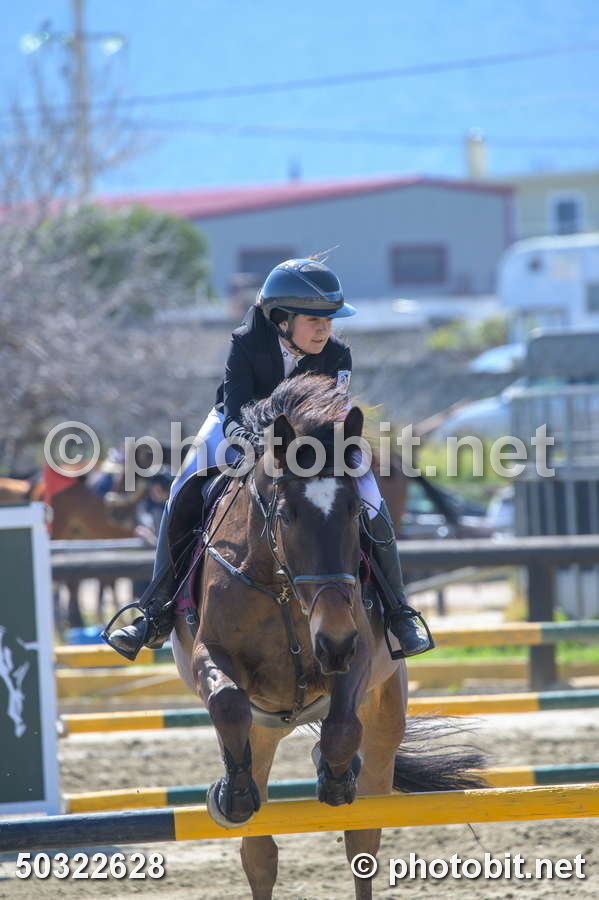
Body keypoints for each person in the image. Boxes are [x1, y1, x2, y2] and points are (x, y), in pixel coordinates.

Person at [105, 258, 433, 660]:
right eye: (314, 320)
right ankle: (155, 611)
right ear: (281, 320)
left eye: (328, 320)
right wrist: (253, 443)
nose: (324, 329)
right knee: (182, 487)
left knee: (370, 496)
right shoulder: (246, 342)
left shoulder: (337, 355)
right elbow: (235, 411)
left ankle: (399, 611)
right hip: (237, 427)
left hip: (313, 439)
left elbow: (334, 416)